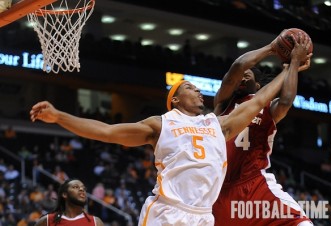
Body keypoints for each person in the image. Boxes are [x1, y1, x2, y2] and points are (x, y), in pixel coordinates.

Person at [30, 34, 309, 225]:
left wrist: (292, 67)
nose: (198, 91)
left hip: (203, 215)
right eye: (190, 87)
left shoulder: (216, 124)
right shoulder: (160, 123)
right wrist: (60, 117)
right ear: (174, 99)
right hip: (167, 213)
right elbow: (106, 131)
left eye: (198, 89)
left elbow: (260, 100)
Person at [212, 32, 313, 225]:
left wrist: (294, 64)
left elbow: (286, 100)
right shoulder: (223, 103)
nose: (241, 79)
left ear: (257, 85)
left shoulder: (268, 107)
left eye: (247, 77)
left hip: (254, 183)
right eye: (240, 77)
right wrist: (272, 47)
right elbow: (238, 67)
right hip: (218, 189)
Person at [34, 179, 104, 226]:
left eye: (84, 188)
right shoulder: (47, 221)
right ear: (65, 194)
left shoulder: (96, 222)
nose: (82, 189)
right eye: (75, 187)